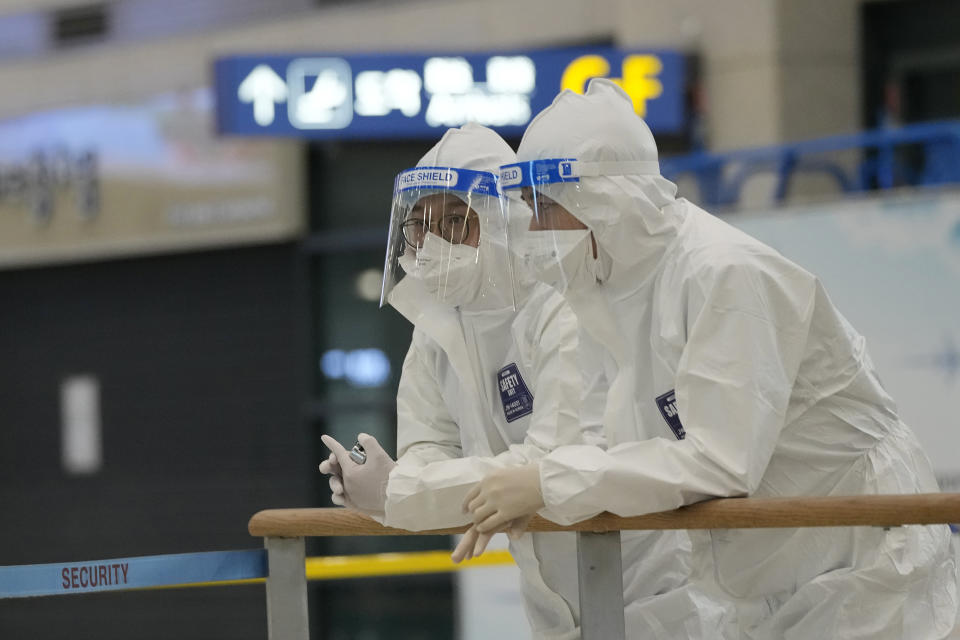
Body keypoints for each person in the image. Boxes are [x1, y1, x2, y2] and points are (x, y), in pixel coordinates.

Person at [463, 79, 960, 639]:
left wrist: (550, 484)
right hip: (767, 571)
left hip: (862, 559)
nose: (533, 231)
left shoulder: (722, 273)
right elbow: (614, 439)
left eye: (544, 208)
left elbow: (719, 462)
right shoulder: (616, 292)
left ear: (601, 202)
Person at [319, 123, 735, 639]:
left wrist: (402, 490)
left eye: (454, 221)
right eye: (419, 224)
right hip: (551, 594)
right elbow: (432, 442)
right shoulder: (436, 326)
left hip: (651, 585)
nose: (430, 244)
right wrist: (388, 481)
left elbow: (550, 460)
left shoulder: (560, 304)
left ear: (500, 221)